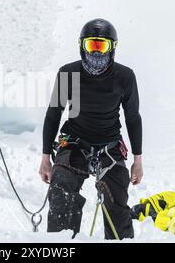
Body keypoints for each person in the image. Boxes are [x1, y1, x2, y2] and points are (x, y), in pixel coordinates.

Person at [39, 18, 143, 239]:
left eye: (102, 46)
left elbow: (133, 117)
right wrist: (46, 157)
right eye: (91, 45)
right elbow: (53, 113)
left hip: (110, 144)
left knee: (117, 204)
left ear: (112, 48)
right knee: (61, 193)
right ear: (81, 46)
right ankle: (61, 243)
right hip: (75, 141)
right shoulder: (68, 74)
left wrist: (138, 160)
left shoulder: (125, 77)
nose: (96, 53)